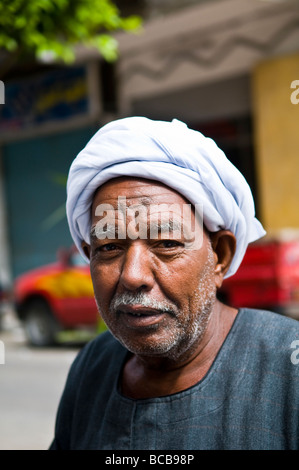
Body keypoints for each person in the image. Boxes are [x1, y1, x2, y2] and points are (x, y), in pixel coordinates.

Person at [50, 117, 299, 450]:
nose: (133, 275)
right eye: (109, 247)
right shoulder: (92, 365)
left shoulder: (289, 368)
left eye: (166, 243)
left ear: (219, 255)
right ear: (88, 255)